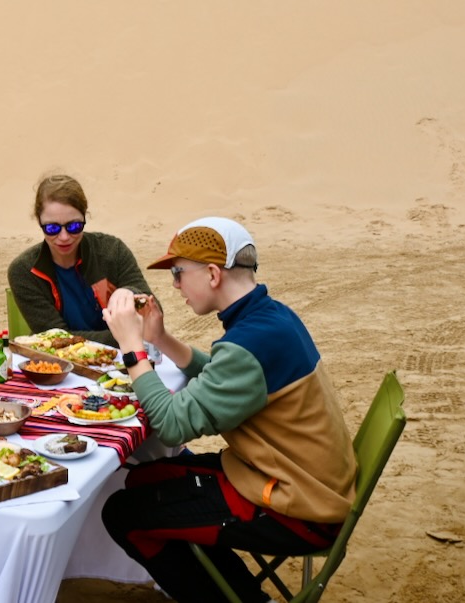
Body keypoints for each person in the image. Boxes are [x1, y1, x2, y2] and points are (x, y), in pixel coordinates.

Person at [99, 217, 357, 603]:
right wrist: (160, 339)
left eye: (178, 273)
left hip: (297, 507)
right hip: (298, 481)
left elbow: (171, 424)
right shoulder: (271, 318)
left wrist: (132, 347)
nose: (175, 285)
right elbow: (221, 375)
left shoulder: (250, 342)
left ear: (213, 274)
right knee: (143, 480)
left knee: (123, 515)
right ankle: (238, 592)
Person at [7, 173, 157, 346]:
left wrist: (129, 293)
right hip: (62, 361)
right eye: (52, 228)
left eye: (74, 226)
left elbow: (154, 314)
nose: (64, 237)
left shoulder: (112, 251)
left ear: (85, 217)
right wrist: (126, 334)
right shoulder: (24, 271)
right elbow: (56, 340)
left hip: (126, 355)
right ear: (39, 221)